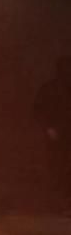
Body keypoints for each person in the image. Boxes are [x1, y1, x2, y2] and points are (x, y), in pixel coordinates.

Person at [33, 55, 71, 193]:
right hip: (55, 135)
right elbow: (38, 110)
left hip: (66, 133)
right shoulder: (49, 88)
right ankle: (56, 197)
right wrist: (48, 128)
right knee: (56, 166)